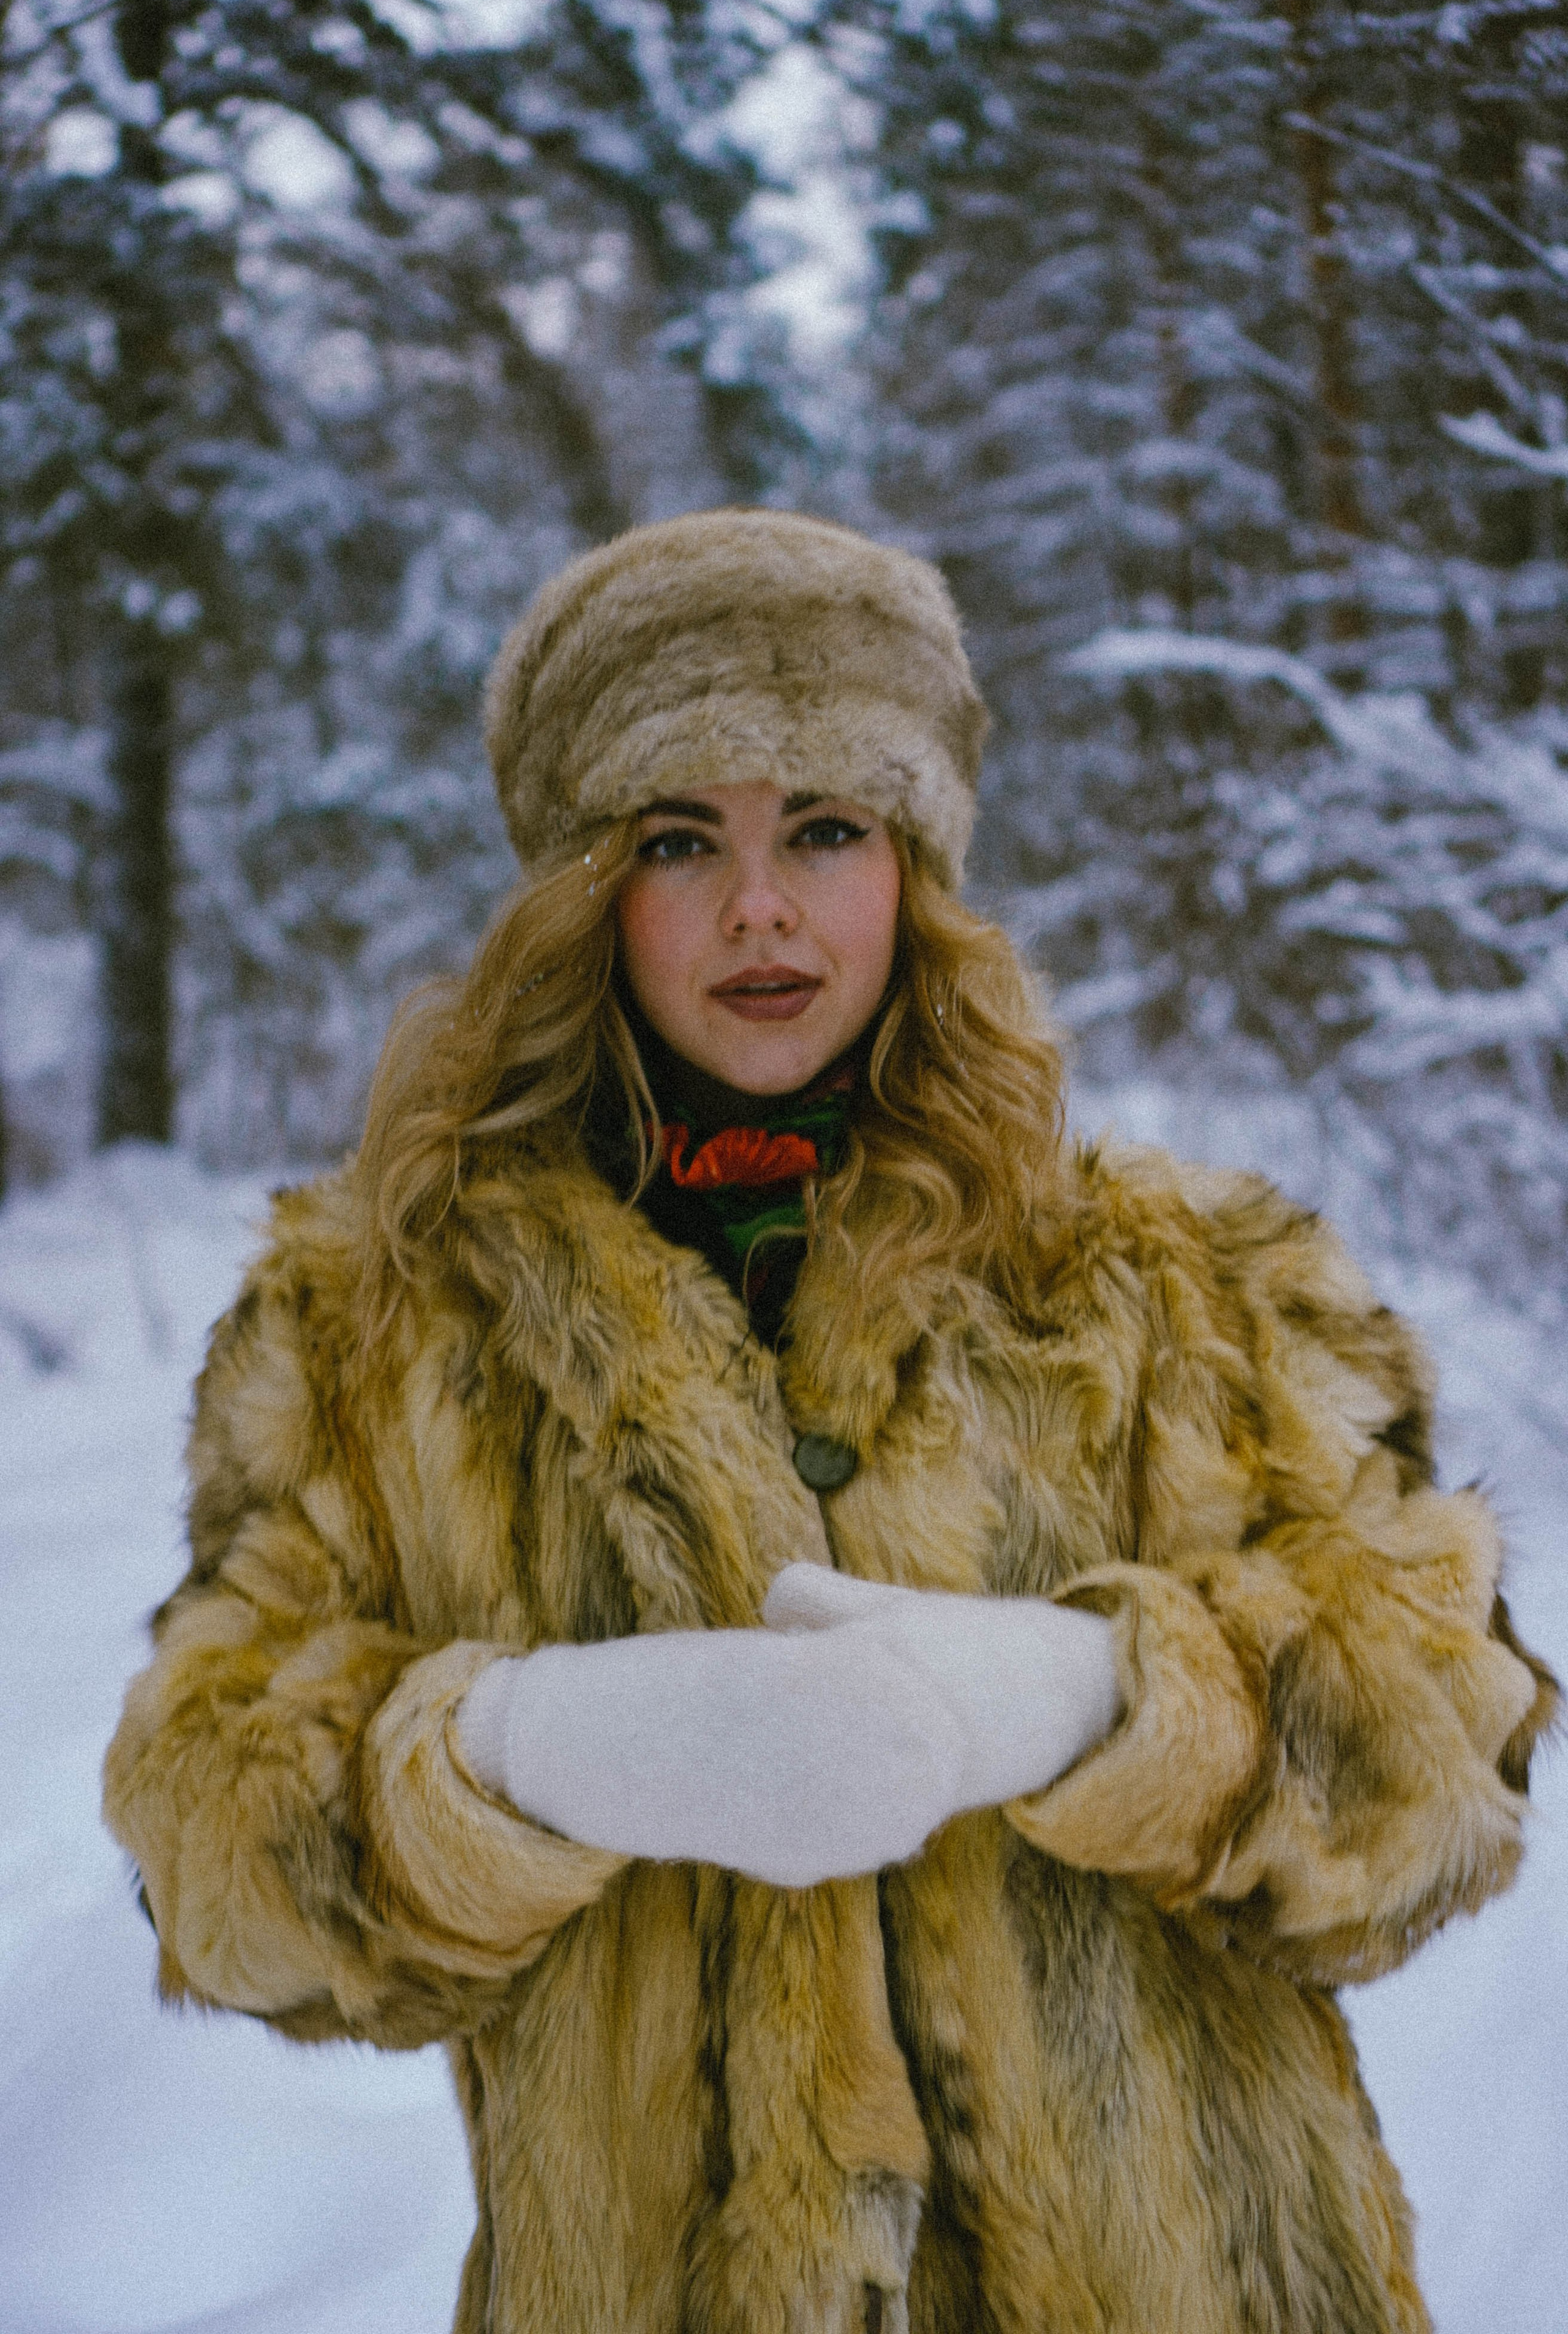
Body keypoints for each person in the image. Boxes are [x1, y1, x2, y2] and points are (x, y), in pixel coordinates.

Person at [104, 510, 1557, 2334]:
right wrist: (524, 1751)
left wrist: (1097, 1697)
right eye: (677, 840)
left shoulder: (1183, 1283)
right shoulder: (375, 1327)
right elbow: (207, 1845)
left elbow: (1455, 1763)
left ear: (913, 865)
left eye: (824, 830)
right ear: (584, 889)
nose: (760, 909)